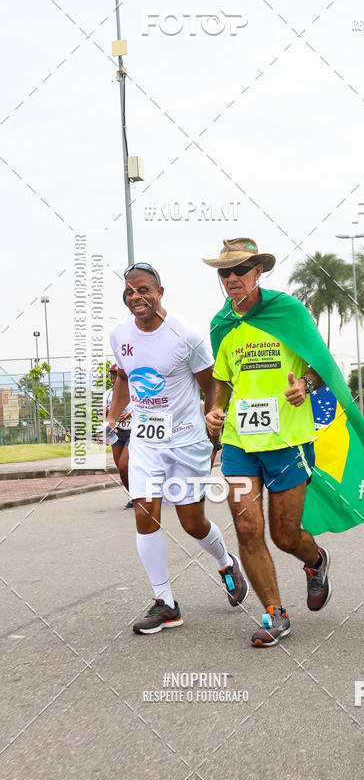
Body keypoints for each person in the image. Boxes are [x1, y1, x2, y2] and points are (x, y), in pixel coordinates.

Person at [203, 239, 331, 648]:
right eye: (225, 272)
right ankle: (274, 612)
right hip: (240, 443)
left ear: (258, 271)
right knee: (246, 526)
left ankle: (315, 560)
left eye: (240, 269)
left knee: (284, 534)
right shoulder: (222, 324)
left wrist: (305, 385)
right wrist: (215, 410)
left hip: (288, 441)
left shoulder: (287, 311)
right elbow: (222, 380)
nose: (231, 278)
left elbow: (321, 365)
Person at [108, 262, 247, 635]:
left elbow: (211, 386)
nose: (136, 297)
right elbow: (123, 377)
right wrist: (113, 415)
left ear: (159, 292)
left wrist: (213, 431)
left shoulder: (186, 335)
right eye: (129, 291)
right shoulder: (119, 335)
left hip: (186, 440)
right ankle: (165, 602)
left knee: (191, 523)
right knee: (145, 516)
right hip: (146, 441)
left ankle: (225, 562)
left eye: (143, 290)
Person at [103, 363, 134, 509]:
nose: (113, 377)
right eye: (112, 374)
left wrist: (129, 414)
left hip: (133, 431)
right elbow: (105, 415)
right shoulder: (108, 394)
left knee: (124, 464)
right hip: (116, 431)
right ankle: (133, 494)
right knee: (121, 468)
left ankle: (138, 494)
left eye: (116, 374)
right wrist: (106, 413)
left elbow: (140, 409)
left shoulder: (133, 391)